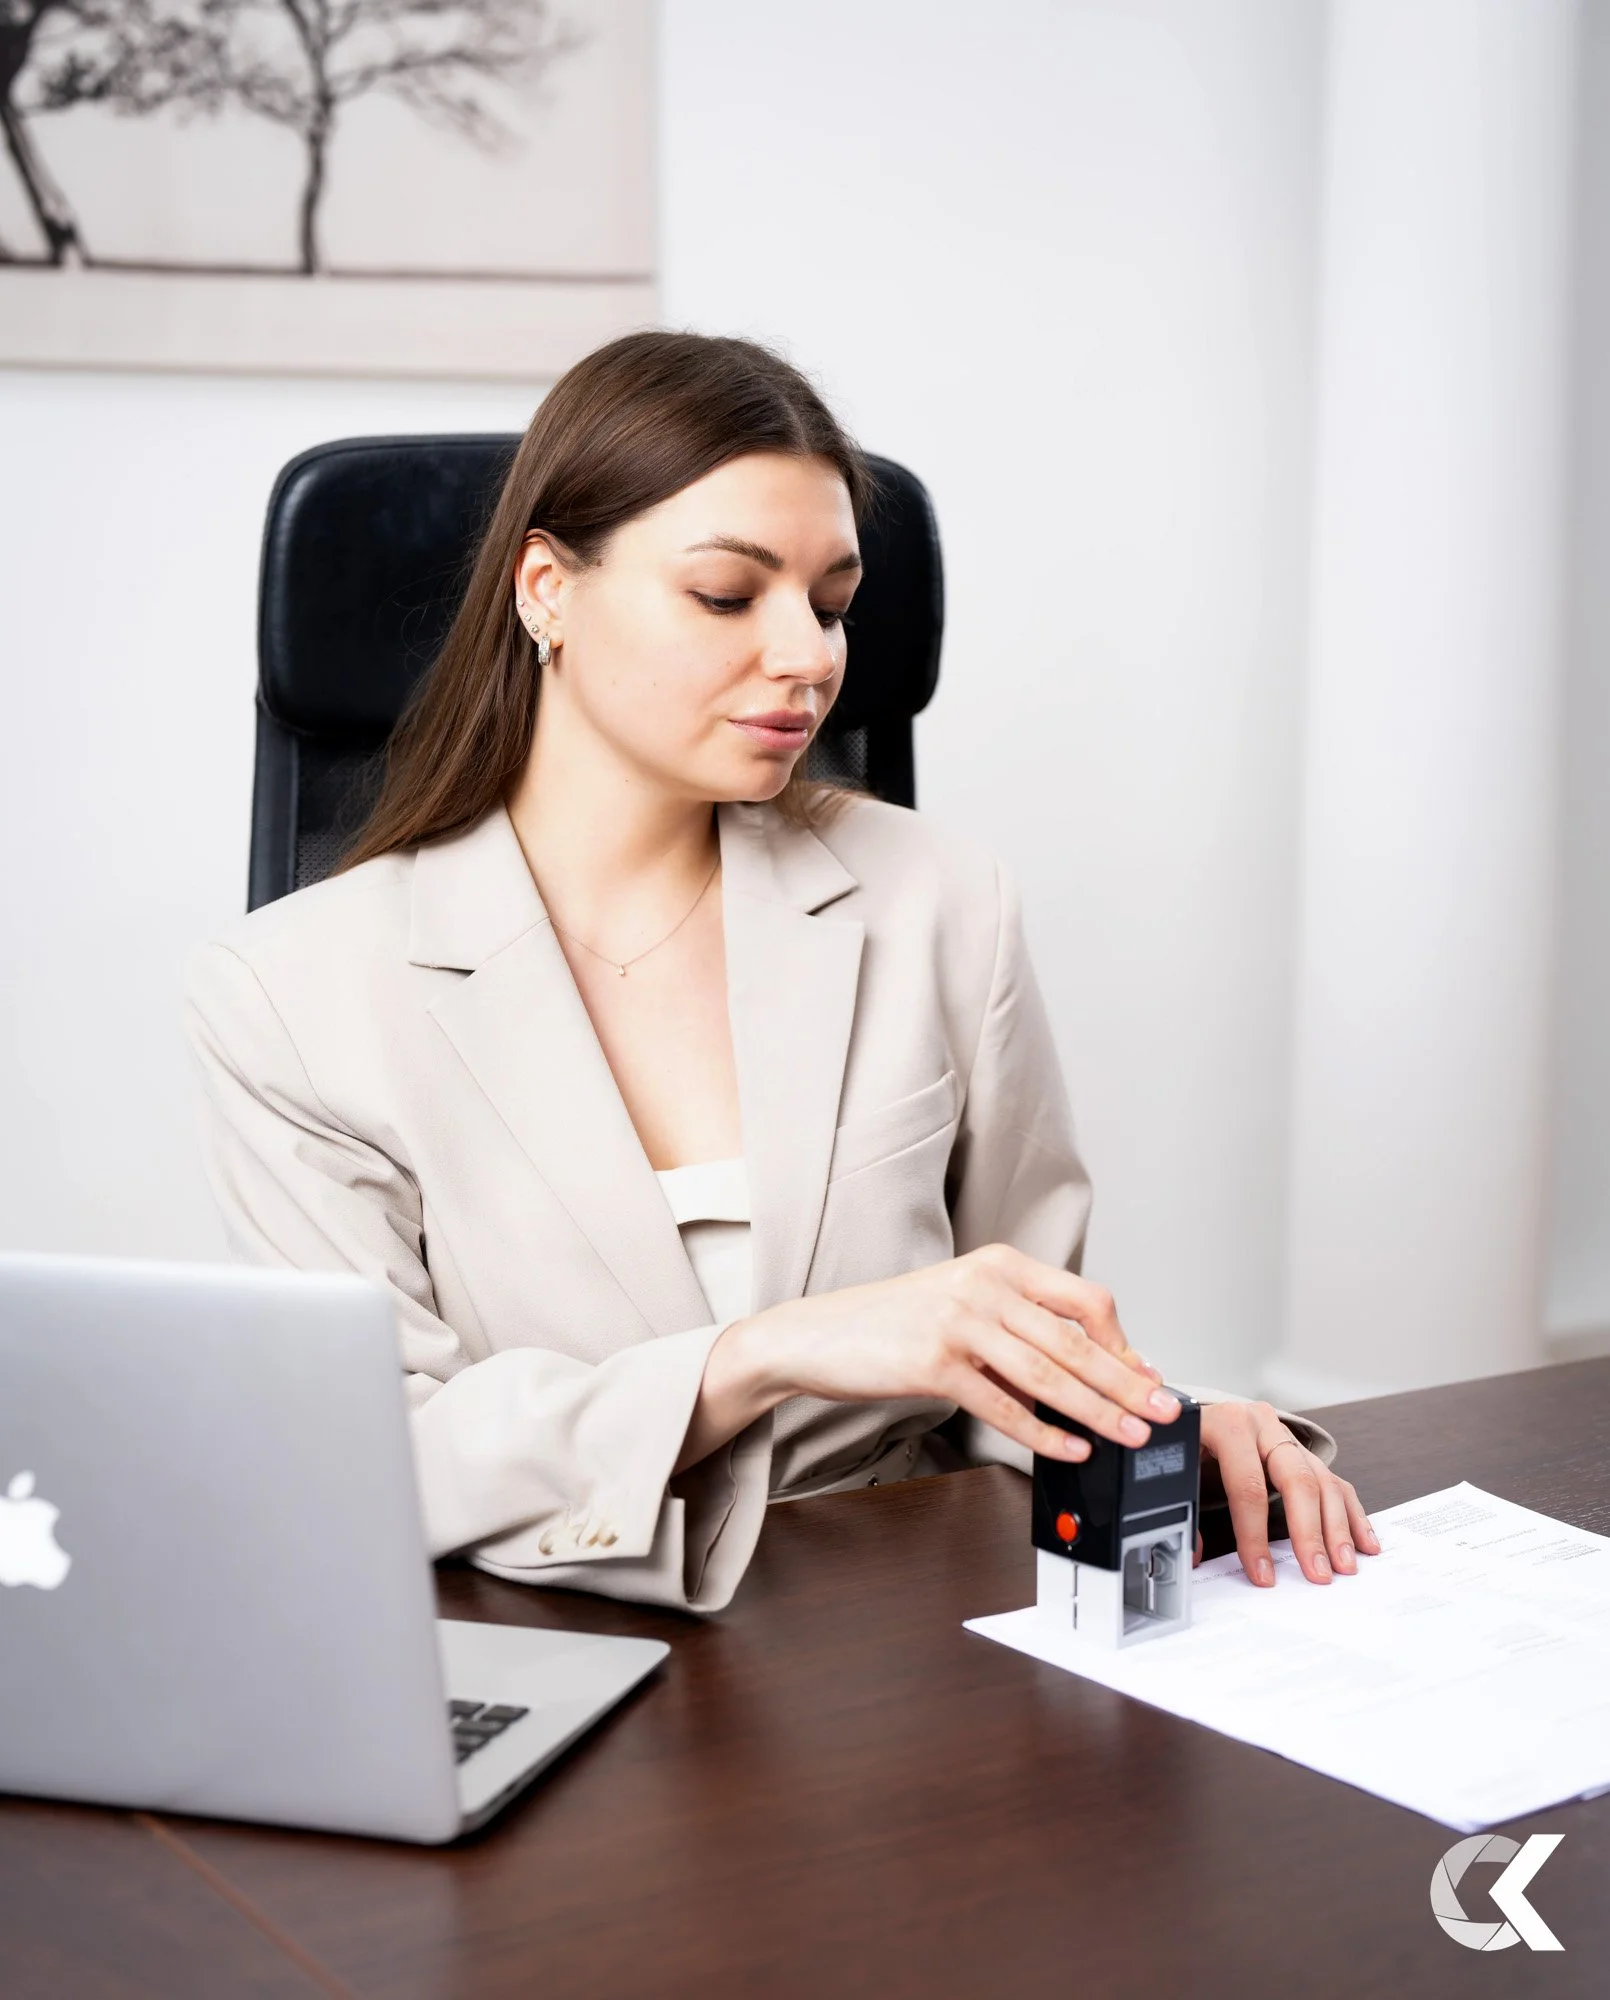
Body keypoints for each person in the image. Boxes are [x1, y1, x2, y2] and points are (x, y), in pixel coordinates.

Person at [183, 330, 1377, 1614]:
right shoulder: (288, 993)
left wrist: (1159, 1425)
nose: (808, 656)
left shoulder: (938, 901)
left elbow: (1021, 1348)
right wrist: (755, 1357)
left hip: (904, 1620)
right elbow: (372, 1460)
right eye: (725, 594)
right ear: (545, 589)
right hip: (545, 1631)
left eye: (830, 601)